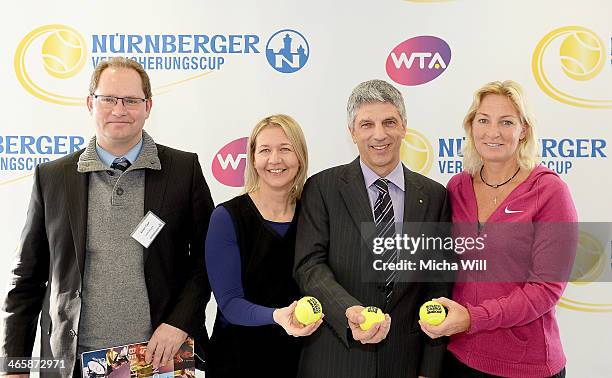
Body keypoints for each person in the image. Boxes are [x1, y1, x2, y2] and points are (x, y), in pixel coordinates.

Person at [0, 57, 214, 377]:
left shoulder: (183, 171)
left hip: (157, 360)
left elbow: (208, 260)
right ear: (90, 103)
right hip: (70, 362)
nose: (119, 109)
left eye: (131, 100)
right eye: (108, 99)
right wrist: (13, 364)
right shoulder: (53, 177)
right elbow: (27, 278)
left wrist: (179, 323)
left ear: (148, 106)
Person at [294, 79, 452, 378]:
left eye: (389, 122)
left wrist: (429, 370)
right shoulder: (322, 188)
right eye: (366, 124)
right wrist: (349, 311)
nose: (379, 134)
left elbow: (438, 287)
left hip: (405, 362)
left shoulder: (434, 196)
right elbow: (309, 267)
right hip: (335, 359)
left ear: (404, 126)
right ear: (352, 132)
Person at [419, 80, 577, 378]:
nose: (493, 132)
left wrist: (472, 318)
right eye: (483, 120)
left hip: (526, 366)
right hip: (459, 358)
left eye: (506, 122)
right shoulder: (458, 186)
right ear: (471, 127)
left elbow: (545, 290)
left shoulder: (548, 190)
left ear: (524, 130)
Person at [205, 114, 322, 378]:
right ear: (254, 159)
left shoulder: (315, 216)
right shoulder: (227, 217)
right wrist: (278, 316)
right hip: (238, 360)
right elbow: (230, 303)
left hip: (302, 359)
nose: (275, 160)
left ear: (300, 156)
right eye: (265, 150)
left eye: (285, 149)